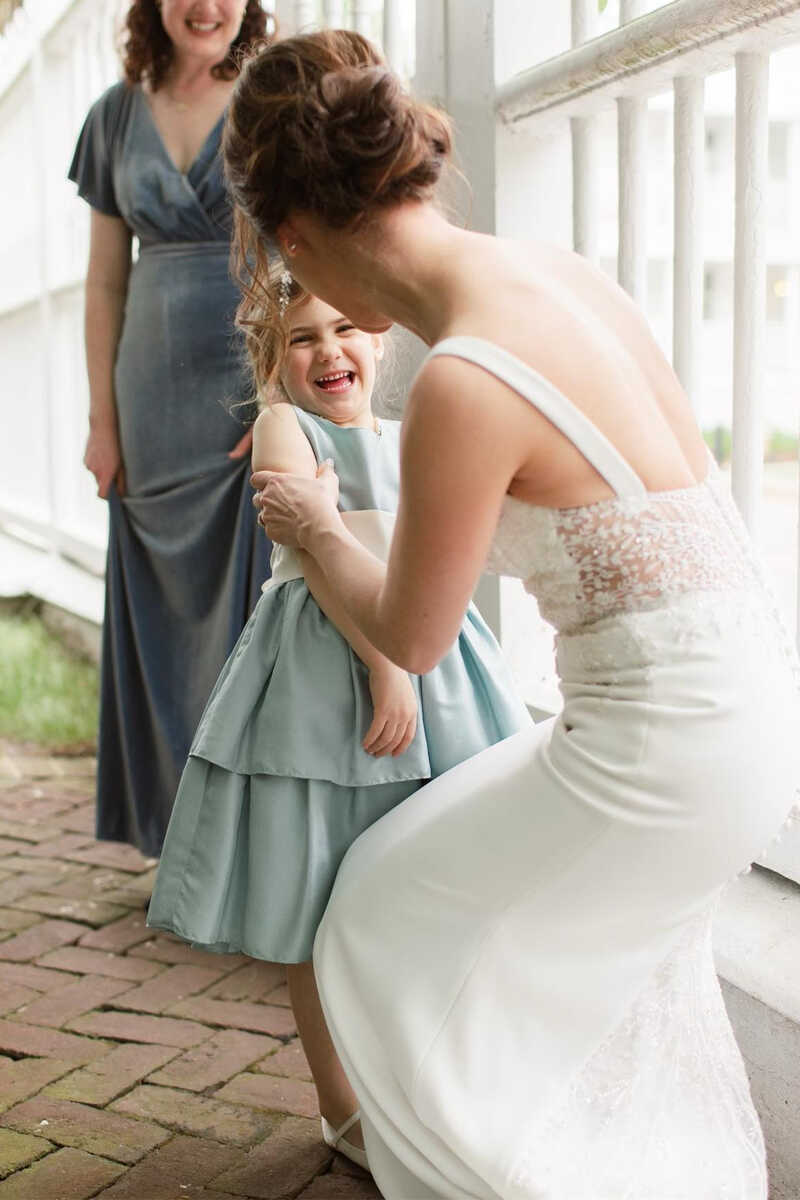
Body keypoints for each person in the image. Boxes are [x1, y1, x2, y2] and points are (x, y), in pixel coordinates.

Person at [228, 28, 800, 1200]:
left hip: (665, 753)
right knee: (403, 898)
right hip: (740, 707)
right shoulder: (556, 274)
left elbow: (411, 635)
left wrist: (316, 528)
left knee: (375, 925)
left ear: (291, 236)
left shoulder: (462, 376)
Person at [146, 285, 530, 1169]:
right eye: (302, 339)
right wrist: (385, 665)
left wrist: (419, 657)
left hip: (439, 667)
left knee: (430, 877)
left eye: (345, 330)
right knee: (315, 895)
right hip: (329, 673)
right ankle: (341, 1104)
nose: (328, 352)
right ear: (273, 360)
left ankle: (431, 1087)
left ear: (381, 340)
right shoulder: (286, 429)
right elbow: (318, 554)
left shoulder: (407, 438)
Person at [68, 0, 273, 857]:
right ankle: (176, 841)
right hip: (147, 403)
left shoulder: (271, 99)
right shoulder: (114, 115)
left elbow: (299, 255)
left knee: (252, 621)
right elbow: (104, 282)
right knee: (160, 618)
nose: (206, 6)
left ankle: (246, 850)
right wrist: (102, 421)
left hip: (245, 391)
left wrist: (281, 403)